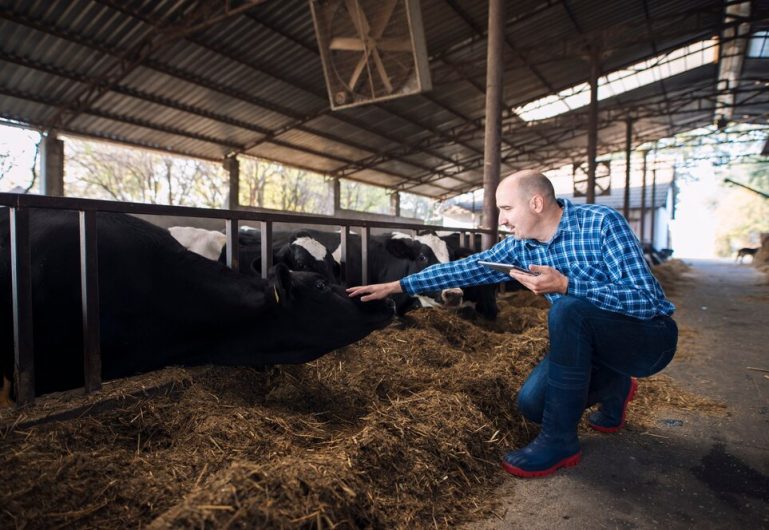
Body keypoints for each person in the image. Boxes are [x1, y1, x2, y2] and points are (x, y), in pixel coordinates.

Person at [347, 170, 677, 478]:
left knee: (568, 310)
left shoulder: (602, 223)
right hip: (590, 346)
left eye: (506, 208)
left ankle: (559, 441)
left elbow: (646, 300)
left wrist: (567, 286)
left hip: (646, 340)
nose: (501, 219)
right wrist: (398, 286)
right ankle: (616, 385)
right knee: (532, 405)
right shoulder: (520, 245)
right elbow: (465, 269)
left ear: (536, 203)